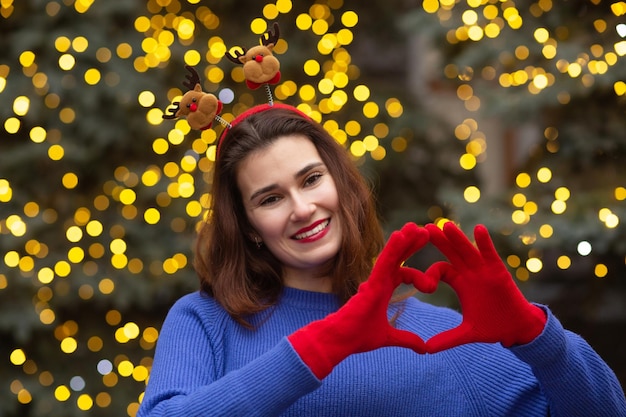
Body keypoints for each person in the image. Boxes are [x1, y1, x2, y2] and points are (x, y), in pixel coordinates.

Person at [137, 103, 626, 417]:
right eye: (270, 198)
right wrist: (326, 341)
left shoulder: (440, 338)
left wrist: (541, 340)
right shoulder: (205, 322)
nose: (302, 208)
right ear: (247, 227)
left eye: (311, 180)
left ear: (341, 187)